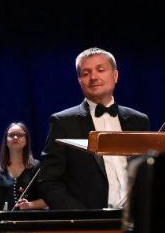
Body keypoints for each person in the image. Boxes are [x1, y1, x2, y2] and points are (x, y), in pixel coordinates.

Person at [37, 47, 150, 210]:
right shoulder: (63, 122)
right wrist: (82, 216)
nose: (94, 77)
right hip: (89, 222)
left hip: (134, 218)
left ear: (115, 75)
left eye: (100, 70)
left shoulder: (139, 121)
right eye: (86, 73)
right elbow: (48, 181)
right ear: (79, 81)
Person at [0, 121, 45, 207]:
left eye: (19, 135)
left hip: (31, 215)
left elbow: (49, 199)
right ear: (6, 141)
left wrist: (30, 205)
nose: (15, 137)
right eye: (11, 135)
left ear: (26, 140)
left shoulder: (37, 167)